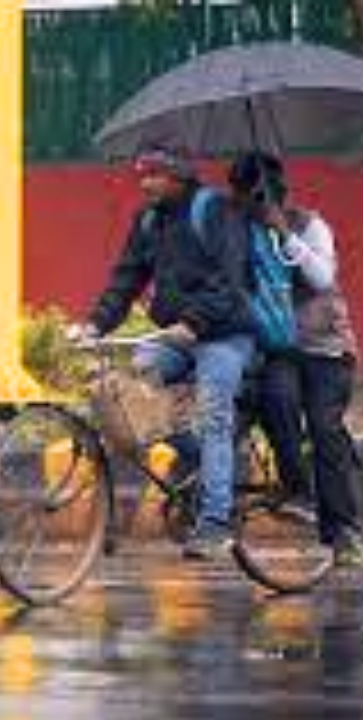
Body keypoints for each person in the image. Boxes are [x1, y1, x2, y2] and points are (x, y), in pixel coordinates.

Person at [76, 146, 255, 560]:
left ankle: (215, 524)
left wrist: (194, 322)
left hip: (225, 335)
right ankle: (207, 465)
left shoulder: (216, 211)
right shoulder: (148, 219)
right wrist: (95, 325)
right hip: (174, 336)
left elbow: (231, 280)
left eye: (154, 175)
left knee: (212, 412)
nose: (145, 183)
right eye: (142, 174)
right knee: (134, 396)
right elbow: (127, 277)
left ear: (180, 175)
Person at [232, 152, 363, 566]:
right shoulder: (239, 236)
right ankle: (298, 486)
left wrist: (284, 232)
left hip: (324, 347)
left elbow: (322, 277)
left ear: (279, 192)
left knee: (325, 429)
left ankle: (343, 532)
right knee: (277, 401)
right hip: (280, 350)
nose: (254, 204)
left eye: (261, 194)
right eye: (245, 197)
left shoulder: (310, 225)